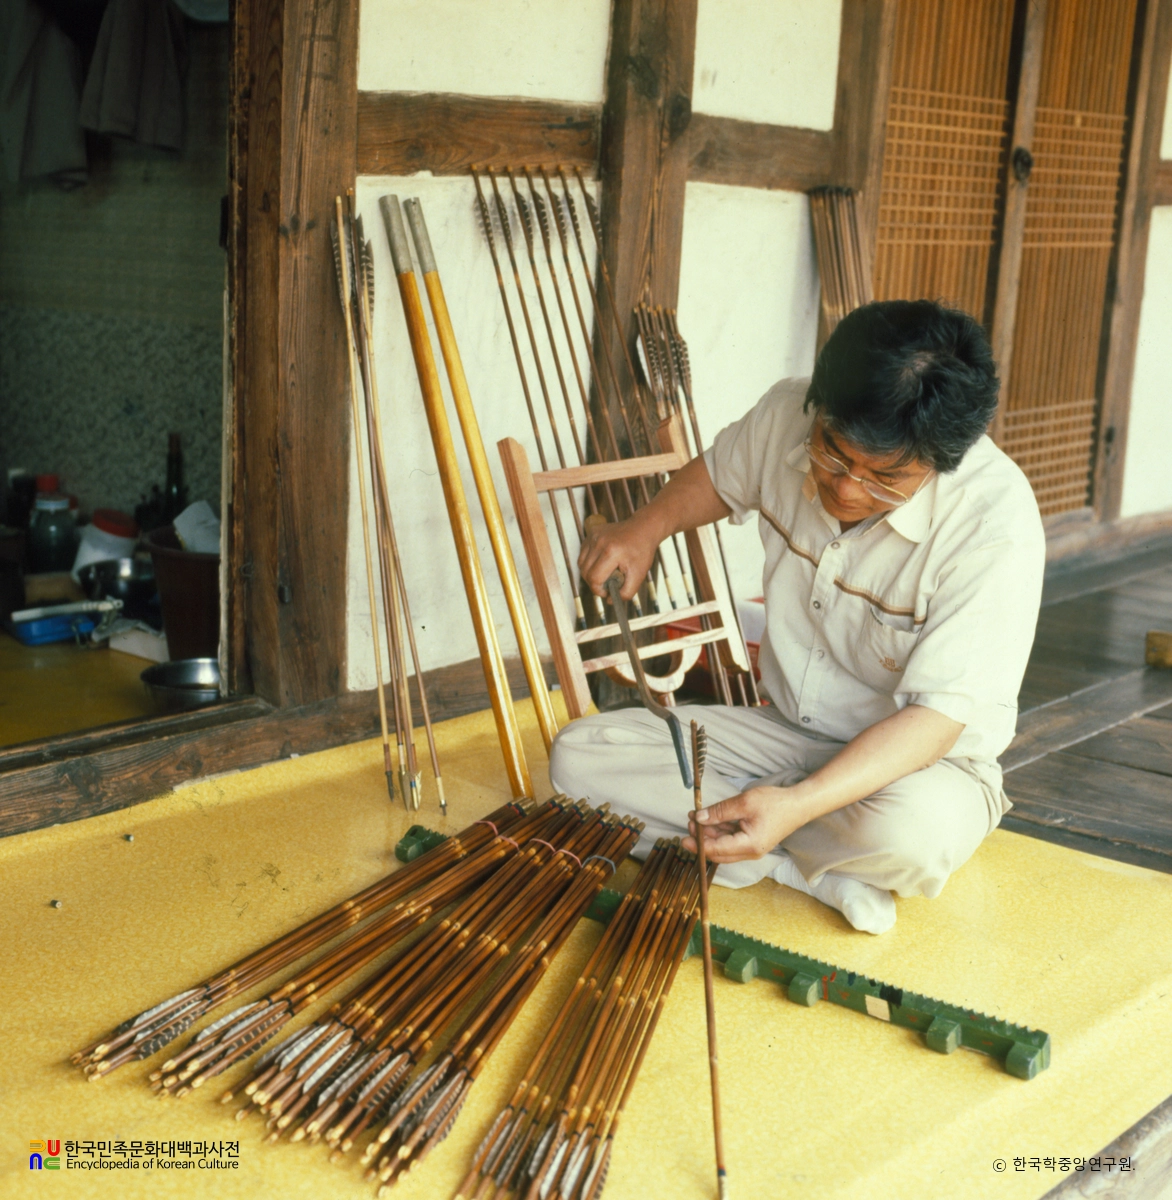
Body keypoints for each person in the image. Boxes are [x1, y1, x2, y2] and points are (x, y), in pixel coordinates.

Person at [549, 299, 1045, 934]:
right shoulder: (789, 409)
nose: (846, 489)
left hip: (918, 765)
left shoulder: (993, 524)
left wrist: (798, 804)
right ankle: (804, 868)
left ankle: (764, 840)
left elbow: (934, 723)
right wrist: (644, 530)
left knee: (913, 836)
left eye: (886, 478)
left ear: (944, 460)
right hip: (787, 731)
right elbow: (721, 476)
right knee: (579, 758)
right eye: (833, 453)